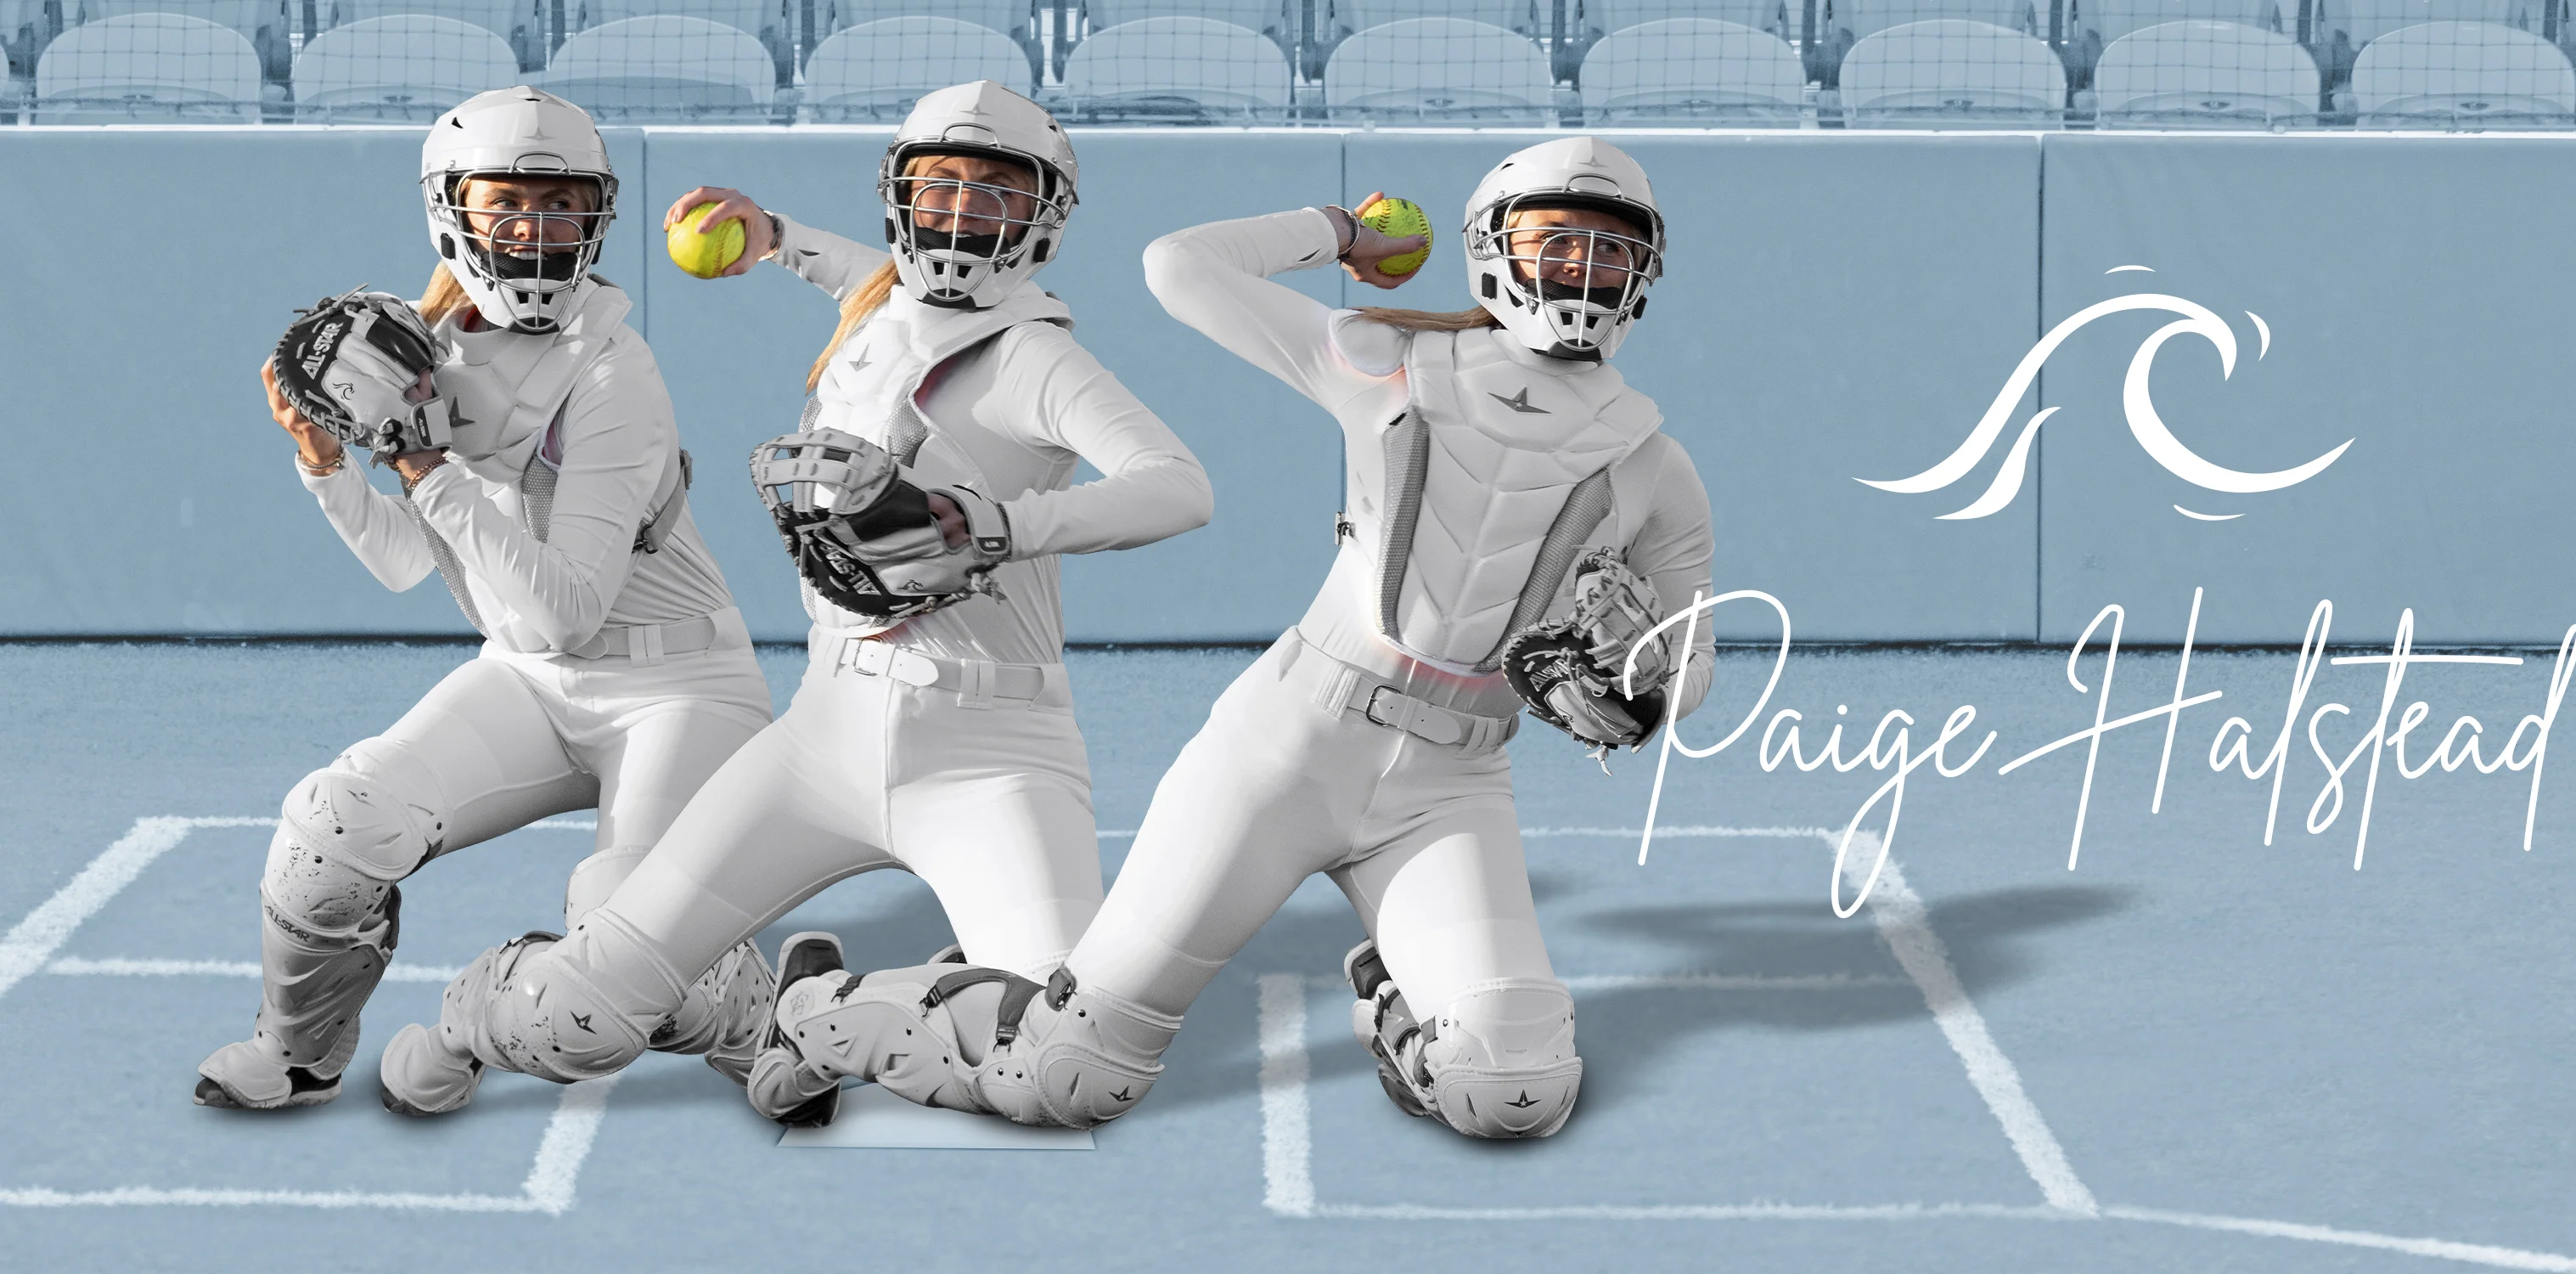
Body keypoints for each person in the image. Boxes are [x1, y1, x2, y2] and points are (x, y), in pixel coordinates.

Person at [752, 136, 1718, 1141]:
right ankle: (823, 1011)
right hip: (1285, 749)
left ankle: (1400, 1000)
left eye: (1611, 250)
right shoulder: (1388, 360)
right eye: (1555, 240)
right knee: (1073, 1072)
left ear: (1643, 274)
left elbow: (1688, 650)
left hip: (1453, 784)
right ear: (1490, 249)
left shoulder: (1653, 461)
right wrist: (1338, 232)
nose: (1582, 270)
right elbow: (1179, 265)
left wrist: (1645, 693)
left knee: (1514, 1091)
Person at [377, 81, 1213, 1125]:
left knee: (1066, 1069)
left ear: (1041, 219)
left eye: (993, 193)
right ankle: (466, 1024)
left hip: (995, 752)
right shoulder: (884, 308)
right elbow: (862, 280)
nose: (957, 215)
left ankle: (821, 1012)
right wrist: (772, 234)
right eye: (936, 186)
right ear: (897, 196)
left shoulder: (1038, 356)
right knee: (579, 1018)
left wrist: (994, 524)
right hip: (826, 731)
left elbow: (1180, 486)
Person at [196, 87, 776, 1111]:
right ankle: (299, 1051)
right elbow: (404, 566)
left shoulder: (612, 372)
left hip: (678, 684)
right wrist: (326, 463)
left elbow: (568, 613)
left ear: (597, 217)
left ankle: (766, 1017)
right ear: (450, 210)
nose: (538, 230)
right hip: (527, 681)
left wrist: (425, 467)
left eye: (563, 205)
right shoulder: (428, 343)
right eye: (510, 202)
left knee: (625, 957)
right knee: (334, 828)